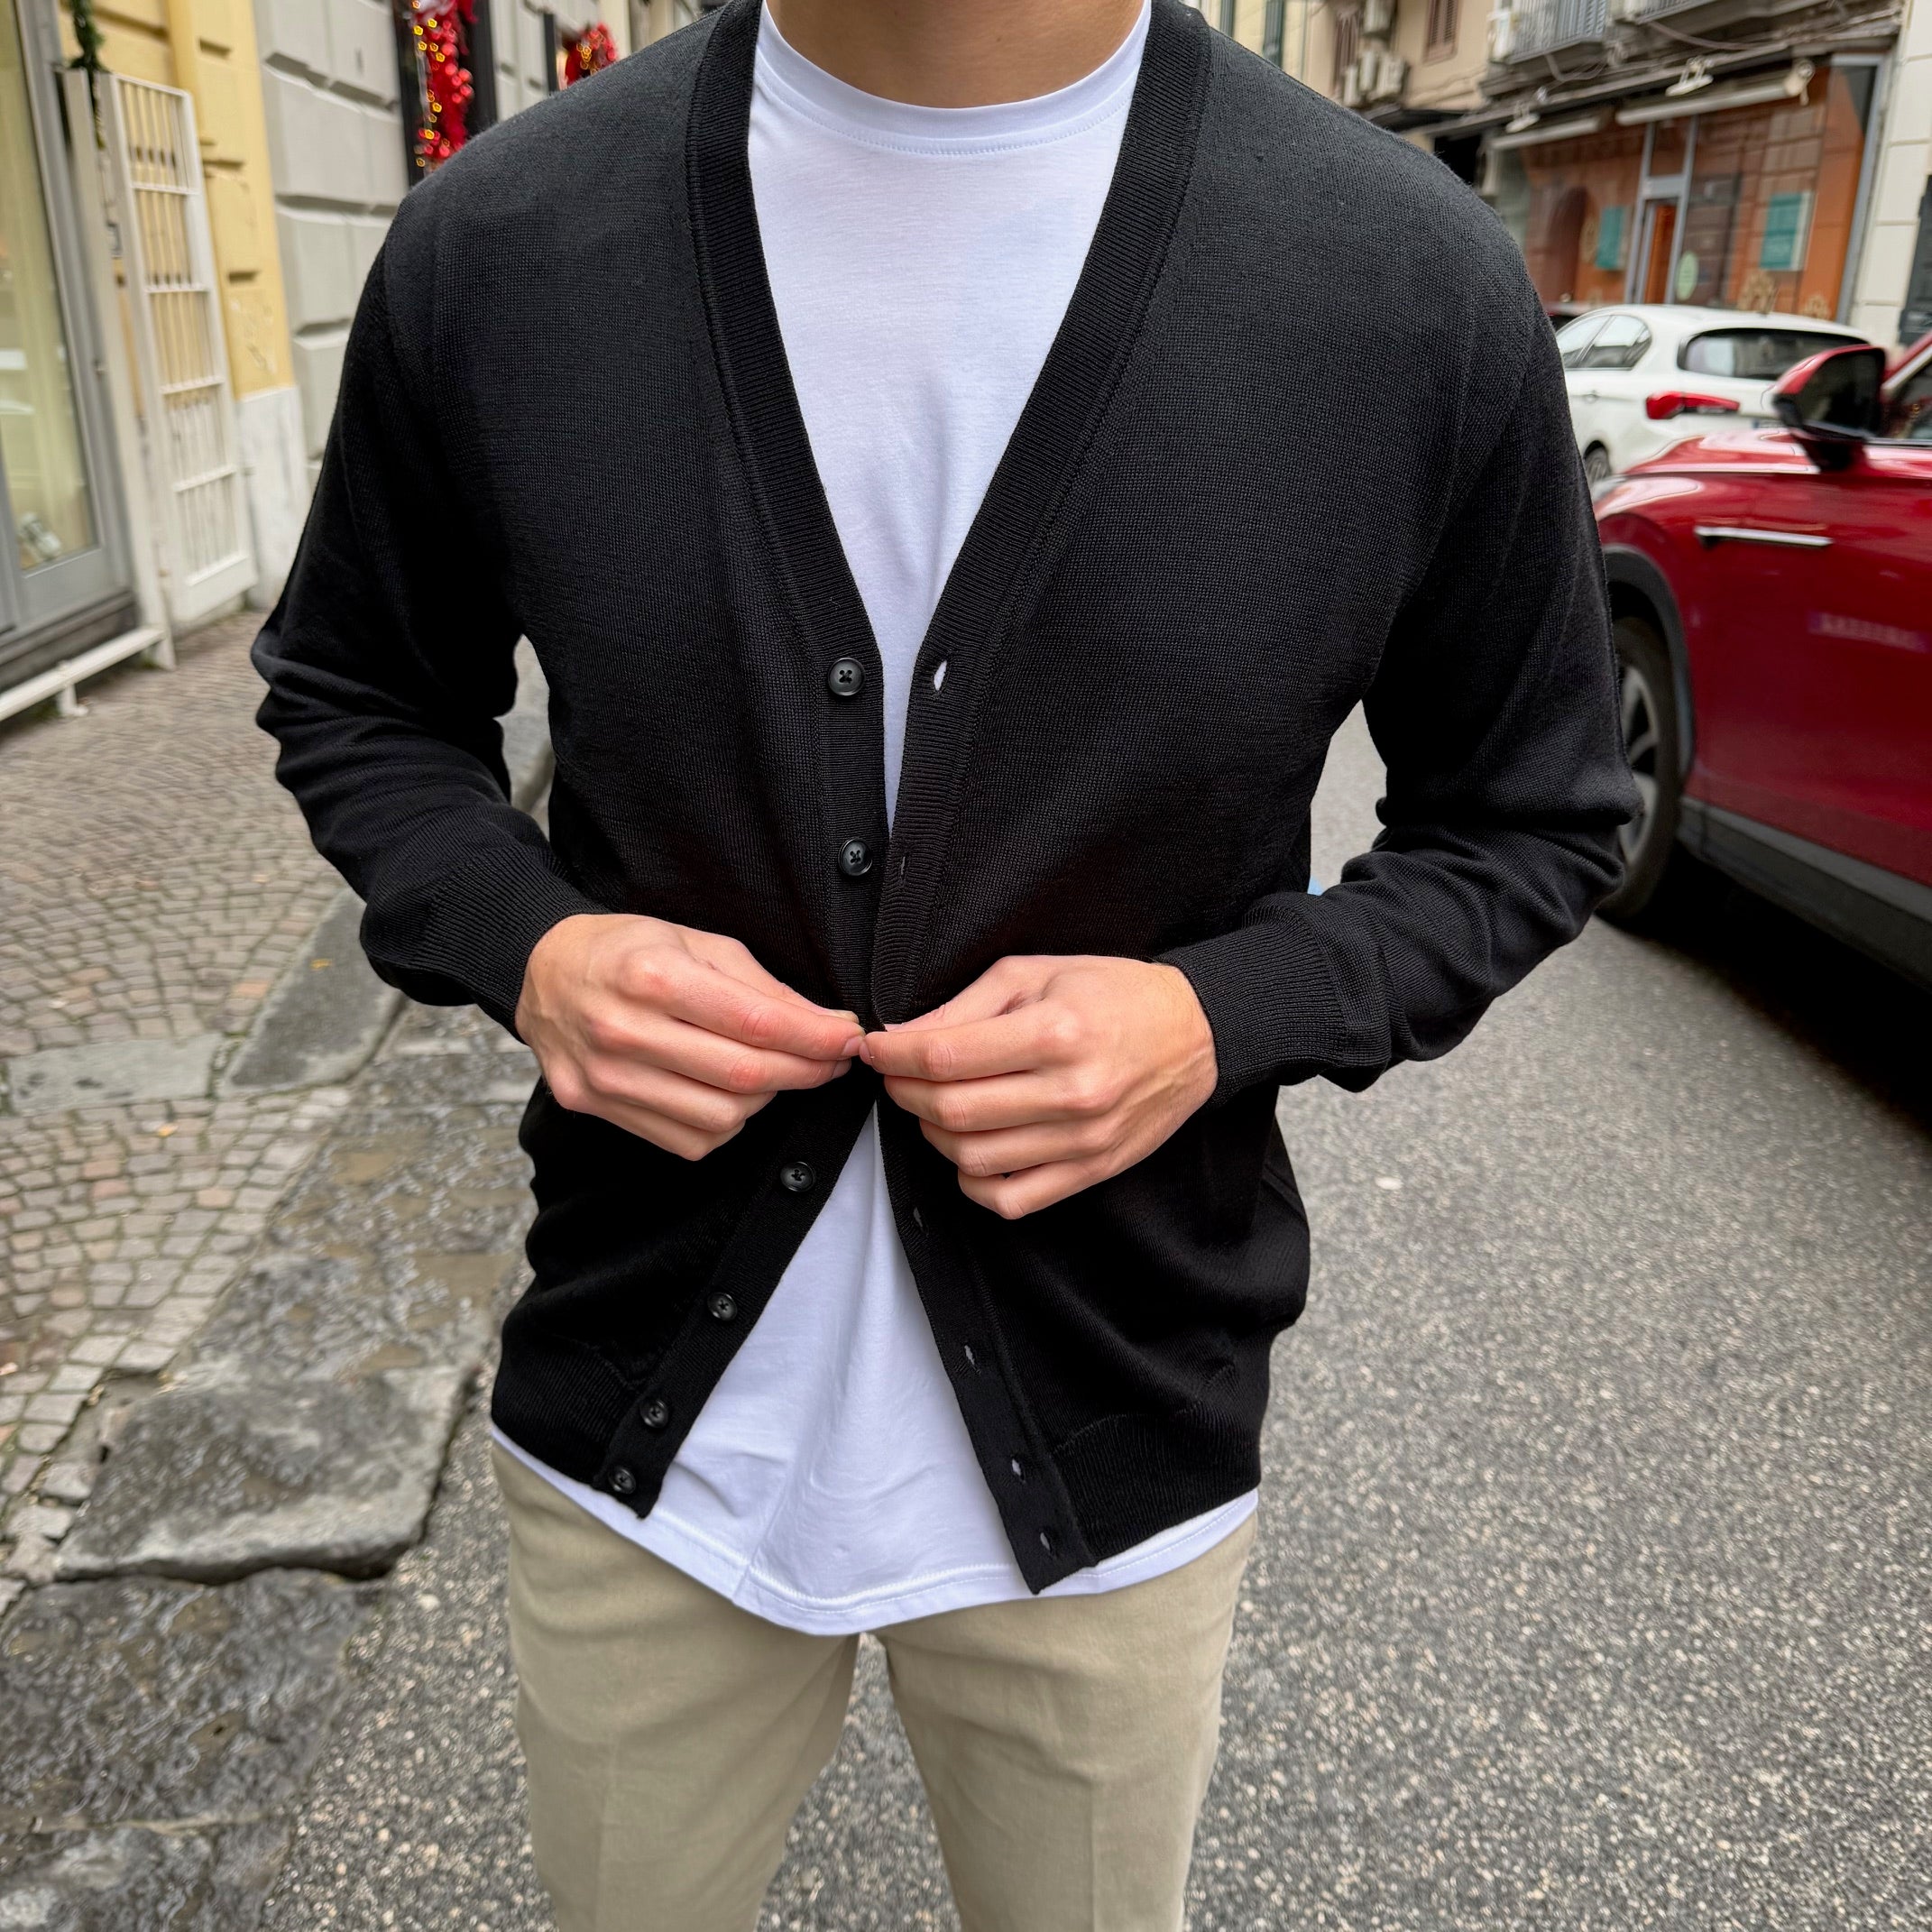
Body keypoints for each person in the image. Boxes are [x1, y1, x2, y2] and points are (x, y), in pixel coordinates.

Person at [253, 0, 1634, 1924]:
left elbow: (1535, 815)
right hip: (640, 1425)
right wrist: (534, 948)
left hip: (1118, 1436)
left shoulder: (1404, 285)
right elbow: (358, 693)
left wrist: (1214, 1017)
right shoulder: (504, 243)